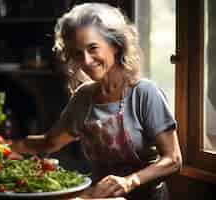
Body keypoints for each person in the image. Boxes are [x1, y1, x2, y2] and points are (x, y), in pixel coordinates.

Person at [12, 3, 182, 200]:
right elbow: (51, 142)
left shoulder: (144, 93)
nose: (86, 60)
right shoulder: (83, 97)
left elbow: (173, 159)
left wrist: (130, 181)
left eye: (93, 48)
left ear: (116, 45)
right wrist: (8, 146)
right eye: (77, 53)